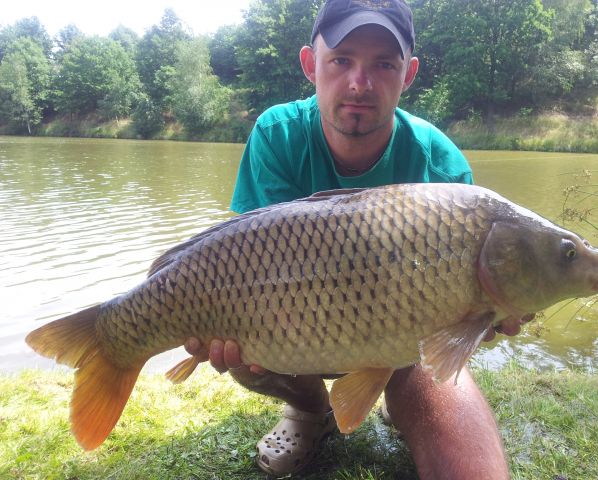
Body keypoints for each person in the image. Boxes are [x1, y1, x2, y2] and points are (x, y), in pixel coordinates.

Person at [185, 0, 525, 477]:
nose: (359, 84)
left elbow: (461, 327)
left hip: (408, 344)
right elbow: (250, 259)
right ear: (310, 64)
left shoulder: (441, 167)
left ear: (408, 74)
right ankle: (311, 411)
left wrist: (489, 315)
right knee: (244, 350)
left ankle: (398, 399)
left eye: (383, 64)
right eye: (341, 60)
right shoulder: (277, 135)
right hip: (294, 330)